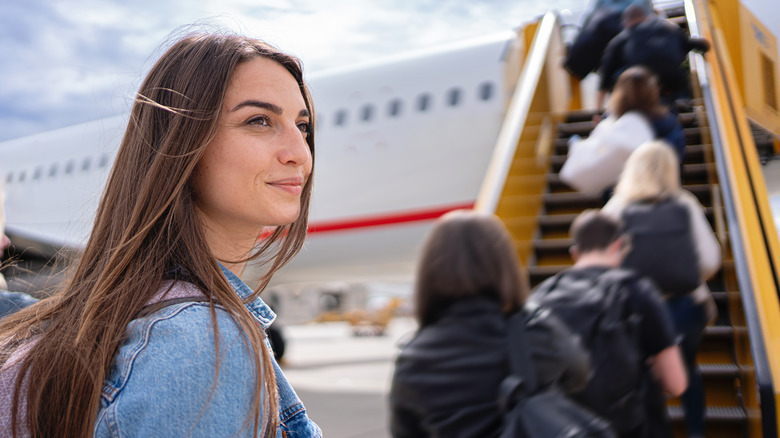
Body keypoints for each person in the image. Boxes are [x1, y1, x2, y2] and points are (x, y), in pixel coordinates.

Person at [0, 32, 321, 438]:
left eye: (303, 126)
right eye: (259, 120)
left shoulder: (118, 320)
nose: (299, 151)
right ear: (181, 143)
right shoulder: (200, 343)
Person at [389, 210, 590, 438]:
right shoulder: (536, 330)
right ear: (504, 264)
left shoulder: (413, 359)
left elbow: (405, 431)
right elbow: (579, 374)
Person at [531, 209, 687, 438]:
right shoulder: (636, 290)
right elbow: (676, 383)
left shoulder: (541, 296)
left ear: (575, 252)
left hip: (565, 429)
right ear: (618, 245)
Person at [604, 140, 721, 438]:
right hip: (685, 307)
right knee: (687, 369)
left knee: (641, 378)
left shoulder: (617, 208)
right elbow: (710, 259)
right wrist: (685, 276)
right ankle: (696, 431)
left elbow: (602, 263)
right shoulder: (684, 203)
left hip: (635, 310)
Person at [597, 4, 710, 111]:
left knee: (625, 77)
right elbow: (700, 45)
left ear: (626, 22)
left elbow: (605, 75)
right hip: (673, 82)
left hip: (642, 87)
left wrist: (598, 110)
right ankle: (680, 107)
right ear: (647, 18)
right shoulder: (669, 29)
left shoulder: (621, 39)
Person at [564, 0, 653, 79]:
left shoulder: (600, 3)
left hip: (579, 63)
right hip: (631, 65)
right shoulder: (642, 4)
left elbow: (586, 26)